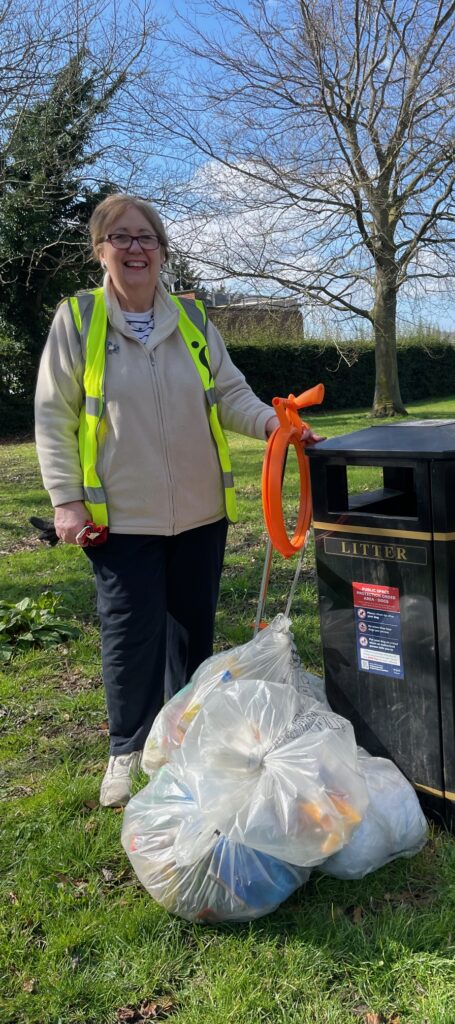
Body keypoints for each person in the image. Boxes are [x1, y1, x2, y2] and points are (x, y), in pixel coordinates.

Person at [35, 194, 320, 807]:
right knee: (130, 634)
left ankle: (181, 737)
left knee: (191, 634)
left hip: (199, 514)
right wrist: (66, 501)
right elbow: (53, 417)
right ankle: (126, 749)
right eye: (121, 237)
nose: (135, 248)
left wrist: (277, 427)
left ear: (162, 250)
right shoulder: (79, 319)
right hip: (121, 518)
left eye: (147, 237)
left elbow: (233, 395)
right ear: (100, 249)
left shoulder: (192, 321)